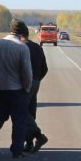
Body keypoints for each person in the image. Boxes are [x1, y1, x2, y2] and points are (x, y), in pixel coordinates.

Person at [0, 19, 33, 158]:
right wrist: (27, 87)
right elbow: (26, 72)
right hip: (17, 89)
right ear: (21, 32)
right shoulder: (22, 47)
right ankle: (17, 150)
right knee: (19, 120)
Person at [17, 23, 49, 152]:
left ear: (19, 35)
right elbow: (45, 68)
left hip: (24, 83)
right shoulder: (37, 47)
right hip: (35, 82)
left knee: (21, 110)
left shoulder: (19, 47)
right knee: (30, 111)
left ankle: (38, 135)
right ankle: (29, 143)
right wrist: (37, 80)